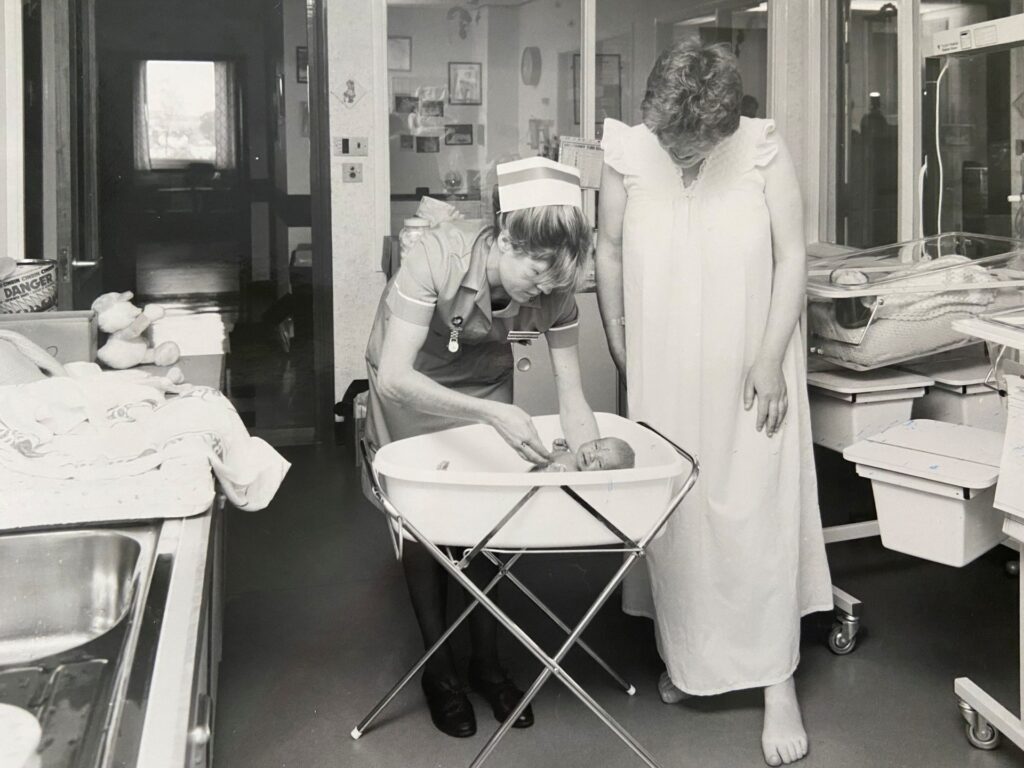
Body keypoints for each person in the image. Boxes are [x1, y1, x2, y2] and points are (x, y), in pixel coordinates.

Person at [594, 41, 833, 767]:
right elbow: (606, 249)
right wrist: (620, 341)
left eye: (697, 143)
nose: (684, 155)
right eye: (675, 143)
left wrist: (769, 358)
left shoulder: (762, 150)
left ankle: (775, 681)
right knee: (682, 515)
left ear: (728, 123)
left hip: (748, 366)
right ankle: (691, 658)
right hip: (663, 368)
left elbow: (793, 255)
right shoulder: (628, 153)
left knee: (755, 511)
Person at [364, 157, 601, 739]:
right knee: (426, 529)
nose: (543, 290)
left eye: (555, 282)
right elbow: (395, 373)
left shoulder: (555, 289)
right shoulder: (436, 256)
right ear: (504, 236)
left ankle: (488, 664)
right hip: (411, 387)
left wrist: (594, 461)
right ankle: (439, 671)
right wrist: (491, 413)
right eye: (537, 273)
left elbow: (573, 395)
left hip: (485, 383)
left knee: (491, 521)